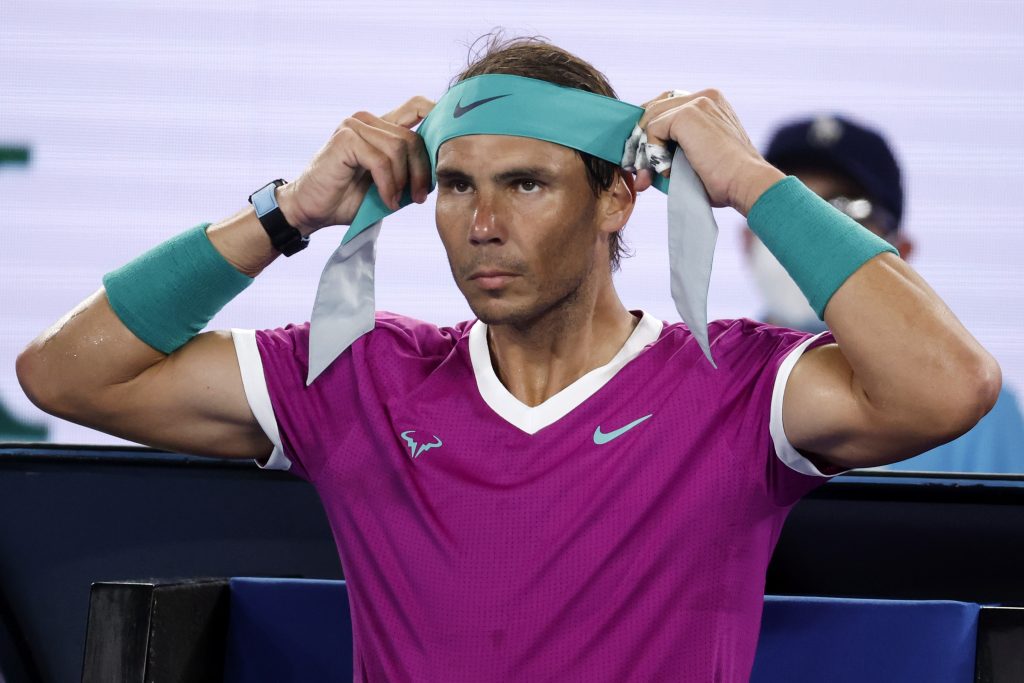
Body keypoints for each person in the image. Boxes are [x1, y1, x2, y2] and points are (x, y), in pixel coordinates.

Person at [16, 36, 1000, 681]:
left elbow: (949, 383)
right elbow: (66, 374)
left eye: (525, 183)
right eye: (454, 186)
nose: (480, 224)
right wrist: (289, 210)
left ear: (617, 197)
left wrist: (748, 180)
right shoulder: (360, 373)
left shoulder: (735, 384)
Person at [746, 114, 1024, 474]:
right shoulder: (712, 384)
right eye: (786, 211)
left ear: (900, 254)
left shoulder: (981, 415)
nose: (807, 240)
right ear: (746, 239)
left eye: (847, 211)